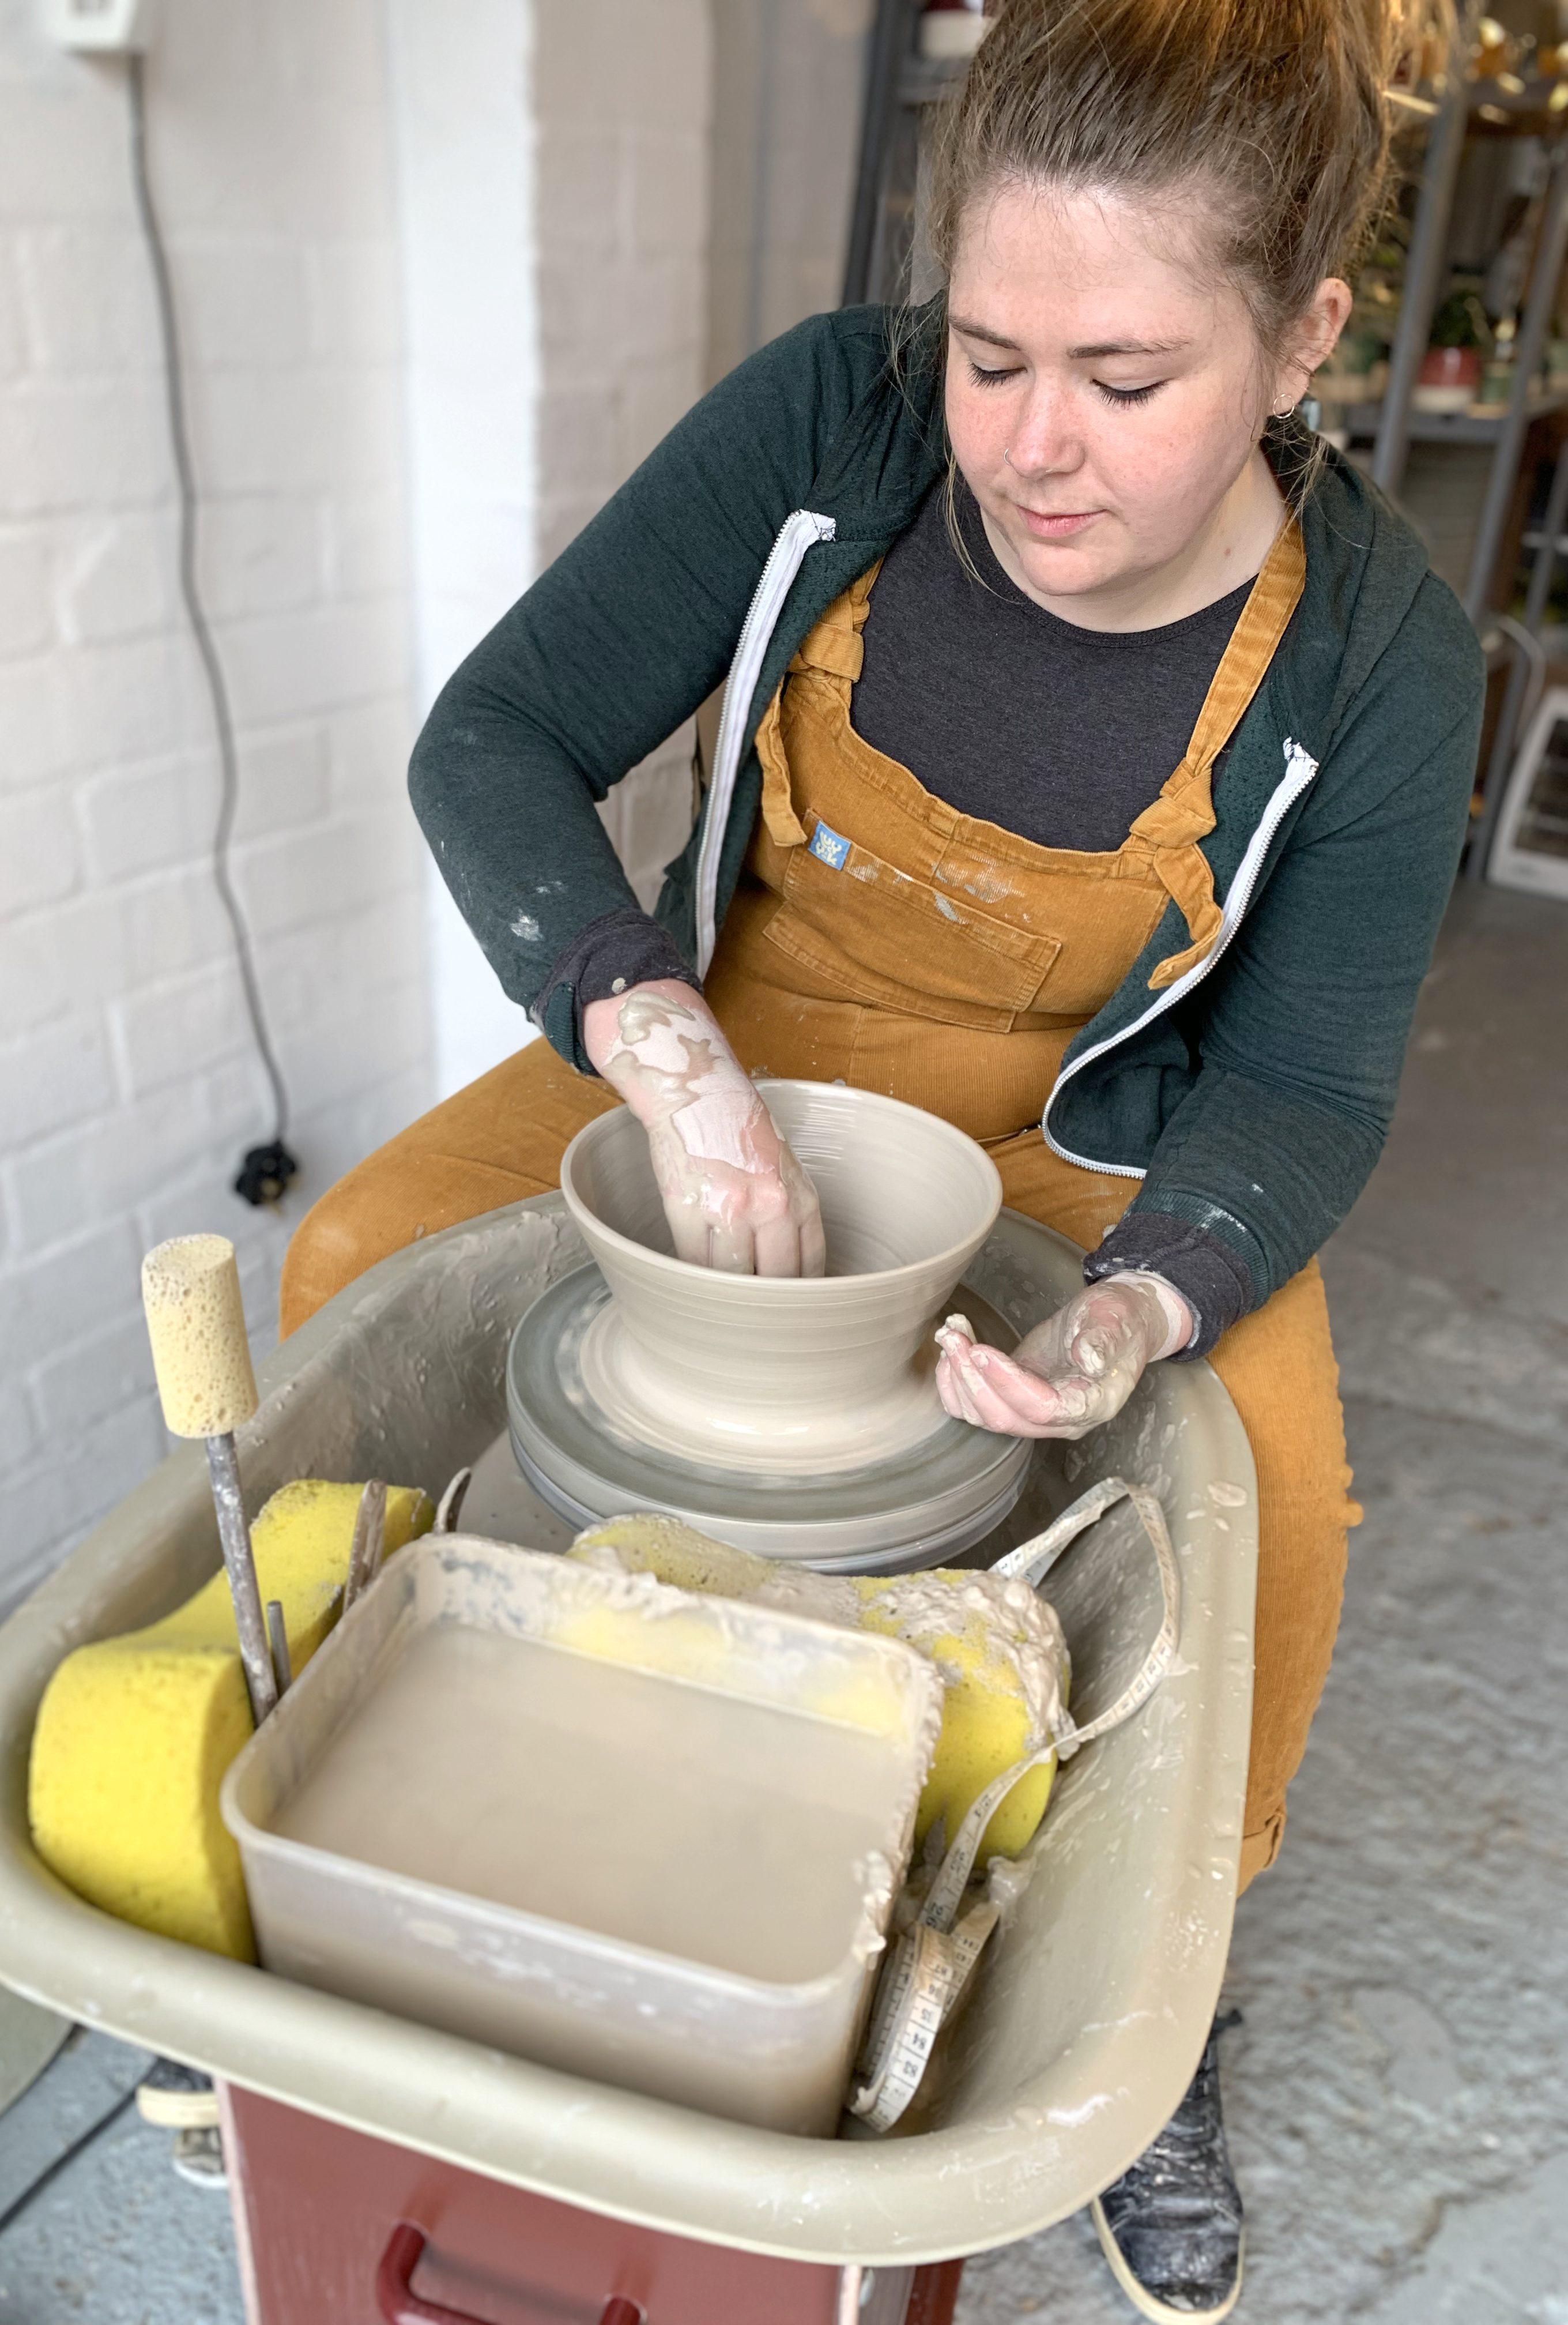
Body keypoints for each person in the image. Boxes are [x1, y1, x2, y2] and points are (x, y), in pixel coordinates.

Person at [280, 0, 1482, 2313]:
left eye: (1124, 379)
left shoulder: (1376, 655)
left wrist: (1143, 1301)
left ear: (1302, 339)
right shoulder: (833, 417)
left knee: (1268, 1503)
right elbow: (498, 736)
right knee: (362, 1258)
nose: (1029, 446)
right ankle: (346, 1833)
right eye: (990, 354)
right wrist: (658, 1044)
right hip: (740, 1037)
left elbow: (1310, 1091)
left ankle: (1152, 2012)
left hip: (1096, 1131)